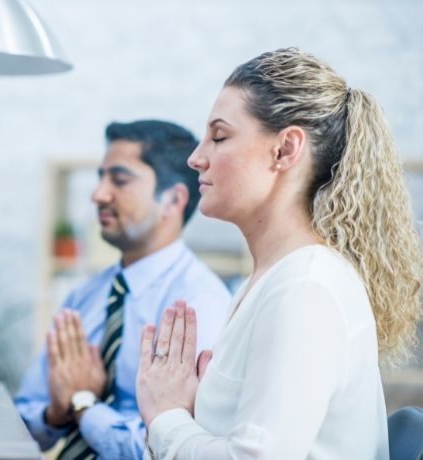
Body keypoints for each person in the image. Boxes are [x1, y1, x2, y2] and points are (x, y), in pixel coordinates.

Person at [136, 47, 423, 459]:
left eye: (219, 136)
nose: (196, 158)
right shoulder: (275, 278)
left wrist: (165, 416)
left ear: (286, 150)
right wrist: (194, 413)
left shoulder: (305, 288)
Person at [15, 120, 231, 459]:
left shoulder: (200, 304)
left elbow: (170, 449)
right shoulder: (83, 295)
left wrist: (84, 405)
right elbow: (22, 419)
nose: (98, 194)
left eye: (119, 180)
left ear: (173, 200)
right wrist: (56, 413)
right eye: (101, 178)